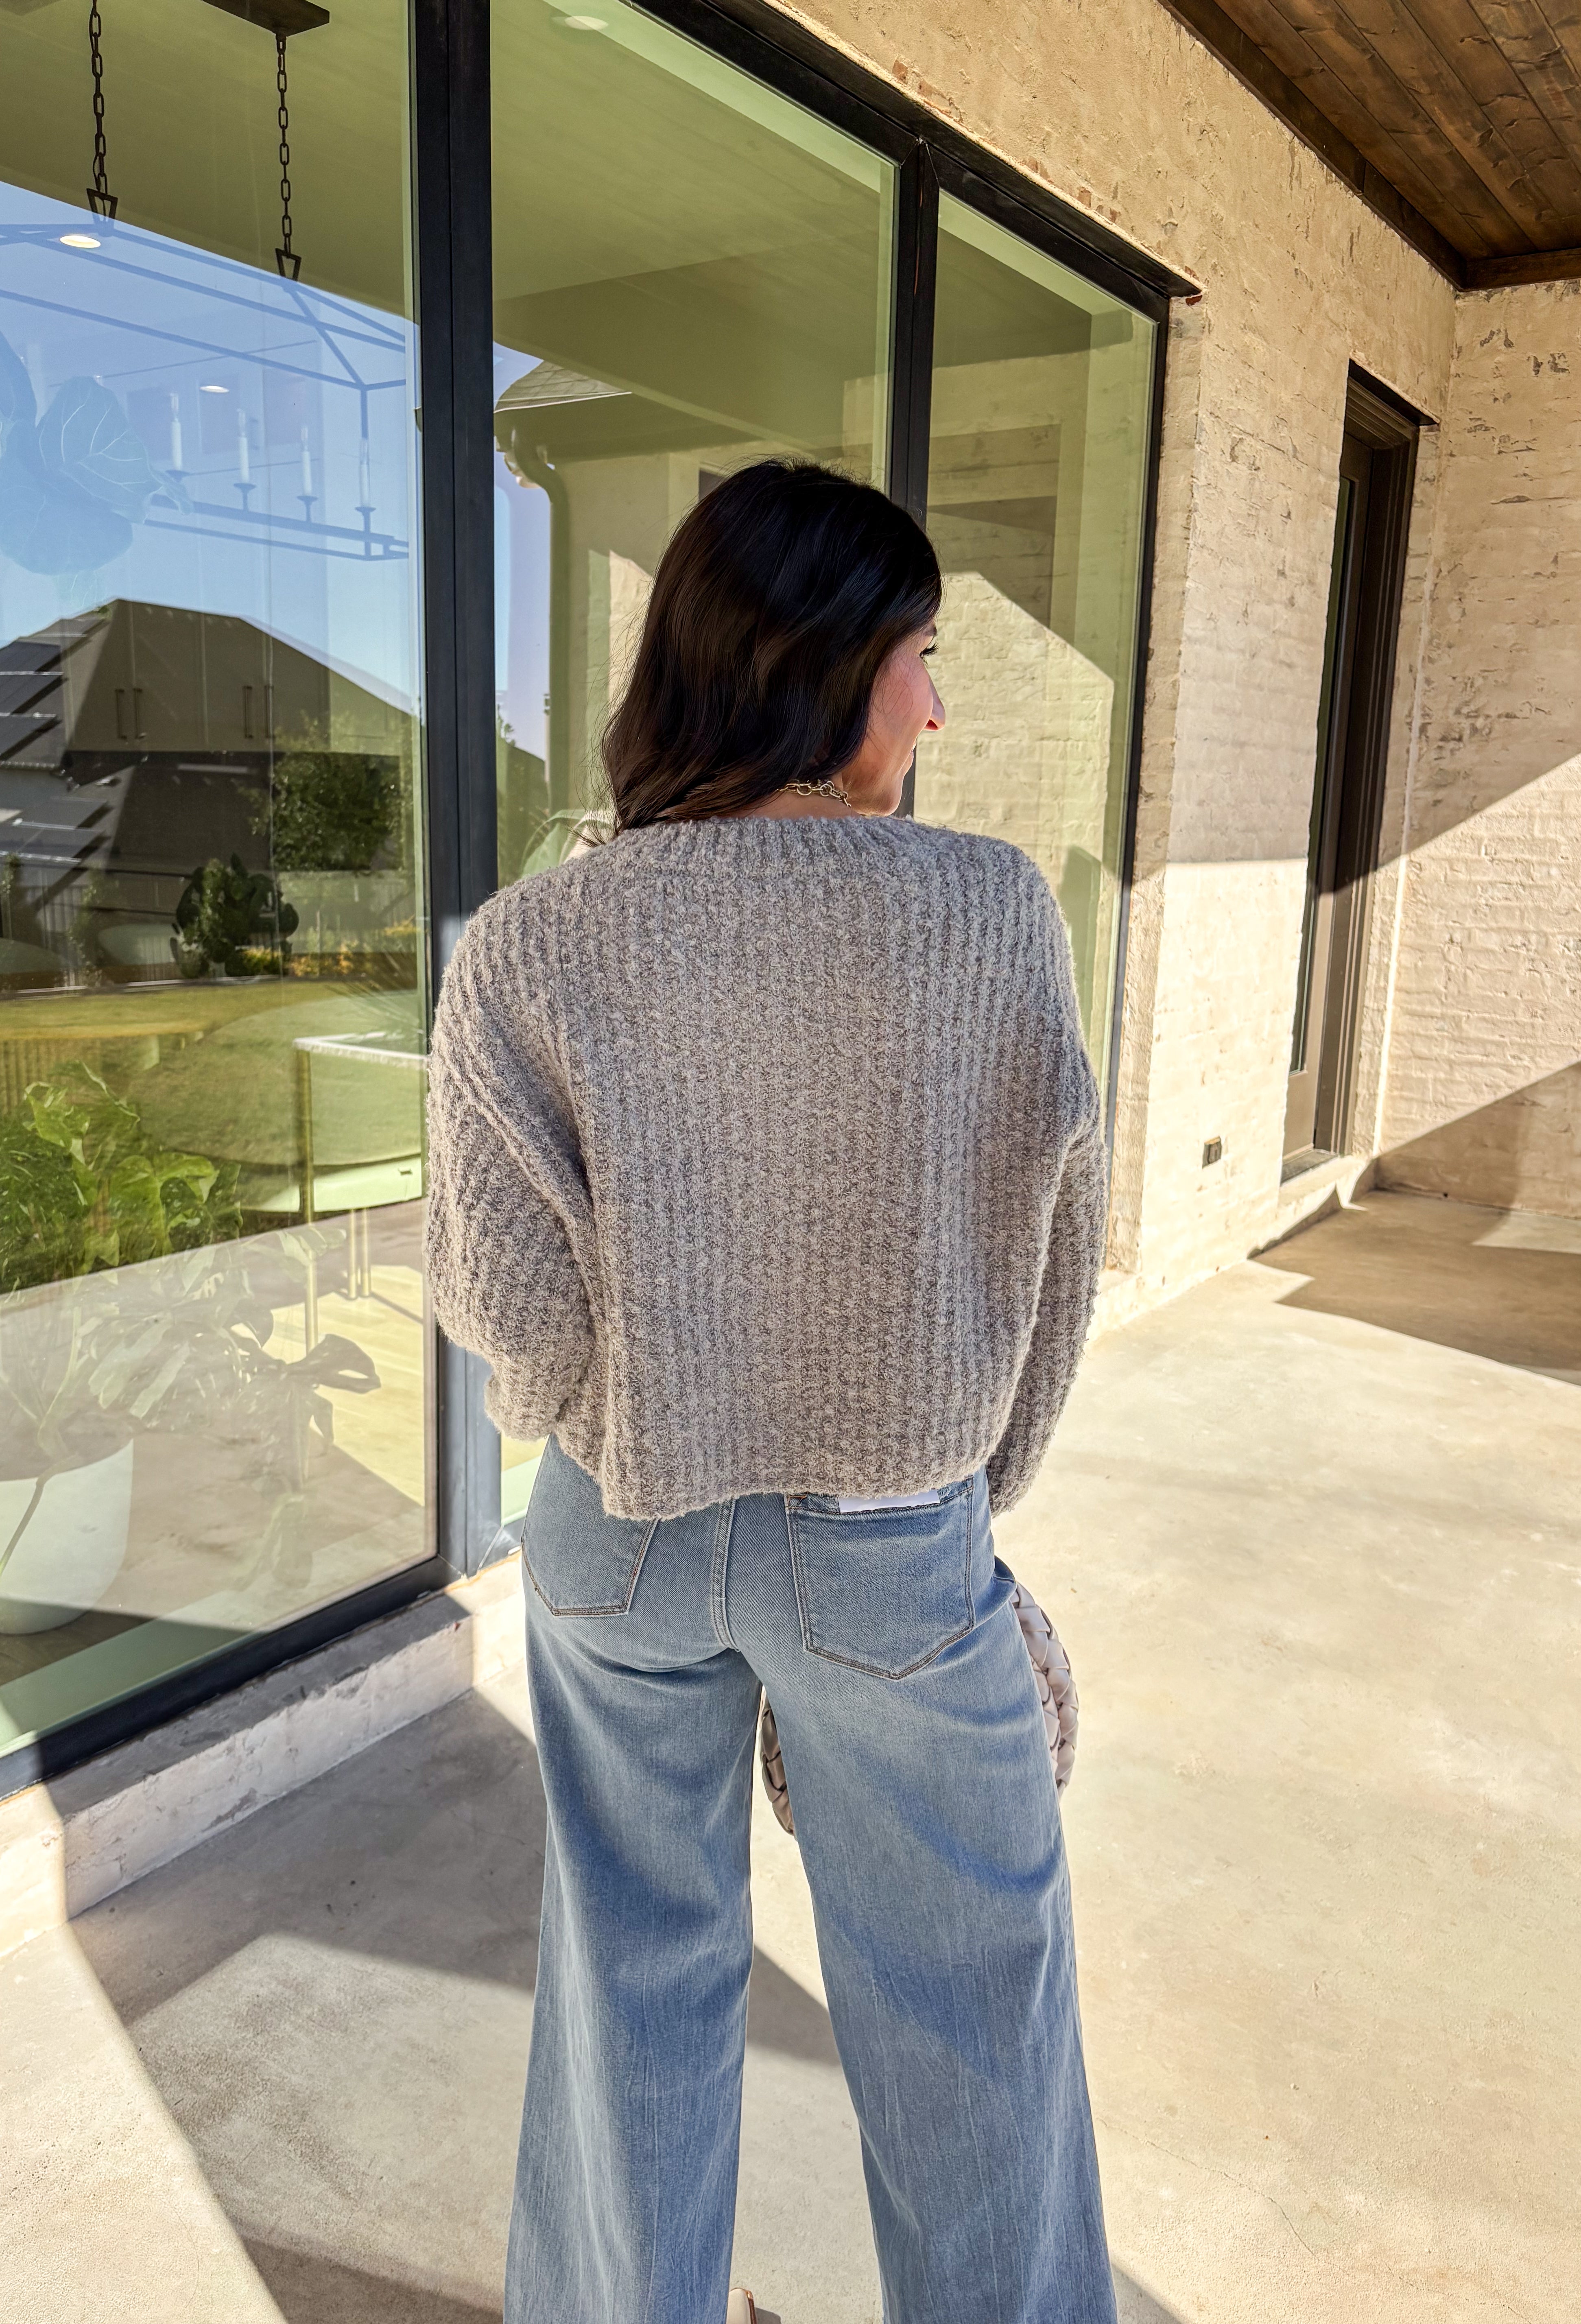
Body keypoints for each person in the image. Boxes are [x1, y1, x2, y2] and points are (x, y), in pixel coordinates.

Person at [425, 459, 1116, 2324]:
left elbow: (511, 1314)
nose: (940, 704)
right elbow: (1053, 1271)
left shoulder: (531, 941)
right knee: (974, 2007)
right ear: (823, 664)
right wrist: (966, 1501)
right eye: (922, 657)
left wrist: (643, 1420)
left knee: (628, 1990)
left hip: (612, 1540)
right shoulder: (988, 917)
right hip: (891, 1541)